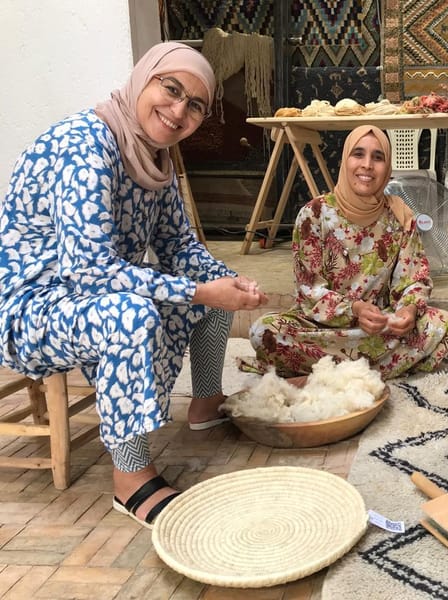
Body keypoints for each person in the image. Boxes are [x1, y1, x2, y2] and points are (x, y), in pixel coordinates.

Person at [0, 42, 268, 528]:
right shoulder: (85, 145)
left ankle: (205, 403)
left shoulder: (156, 160)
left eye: (195, 105)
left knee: (205, 283)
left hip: (89, 296)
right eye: (171, 89)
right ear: (144, 78)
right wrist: (201, 290)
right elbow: (90, 270)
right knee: (135, 313)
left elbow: (179, 246)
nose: (178, 110)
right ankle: (130, 479)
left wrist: (228, 282)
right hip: (31, 307)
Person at [239, 125, 448, 380]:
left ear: (387, 167)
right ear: (345, 161)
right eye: (358, 154)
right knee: (263, 332)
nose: (367, 165)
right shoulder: (315, 214)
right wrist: (354, 309)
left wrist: (407, 311)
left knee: (443, 324)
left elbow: (413, 279)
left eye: (378, 157)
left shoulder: (399, 216)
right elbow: (310, 291)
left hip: (378, 327)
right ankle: (373, 368)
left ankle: (329, 370)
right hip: (321, 327)